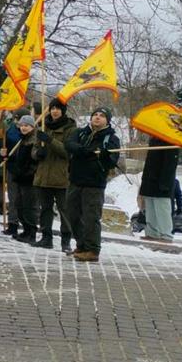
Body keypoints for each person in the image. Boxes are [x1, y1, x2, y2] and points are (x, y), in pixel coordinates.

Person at [65, 106, 121, 262]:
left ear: (107, 121)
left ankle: (92, 249)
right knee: (73, 214)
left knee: (91, 217)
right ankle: (81, 245)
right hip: (75, 181)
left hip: (94, 184)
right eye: (95, 114)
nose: (97, 117)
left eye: (102, 115)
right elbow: (69, 144)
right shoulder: (81, 133)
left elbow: (111, 162)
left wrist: (104, 156)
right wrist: (82, 149)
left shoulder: (111, 139)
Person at [32, 98, 75, 251]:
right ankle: (46, 237)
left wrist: (50, 141)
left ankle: (66, 240)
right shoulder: (44, 126)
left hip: (62, 177)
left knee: (65, 210)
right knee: (45, 209)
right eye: (52, 108)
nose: (54, 111)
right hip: (43, 176)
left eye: (58, 108)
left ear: (63, 111)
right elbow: (34, 150)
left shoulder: (71, 129)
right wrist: (38, 153)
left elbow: (68, 152)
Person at [139, 135, 180, 242]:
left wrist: (165, 184)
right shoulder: (153, 141)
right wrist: (144, 183)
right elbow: (148, 165)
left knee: (162, 210)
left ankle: (166, 235)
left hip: (162, 183)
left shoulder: (171, 141)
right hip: (149, 182)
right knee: (150, 210)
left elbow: (170, 165)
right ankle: (152, 233)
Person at [6, 114, 38, 243]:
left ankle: (31, 232)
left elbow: (35, 160)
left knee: (29, 207)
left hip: (30, 178)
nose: (23, 128)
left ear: (32, 127)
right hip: (20, 177)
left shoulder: (34, 141)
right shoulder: (22, 140)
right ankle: (25, 230)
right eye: (22, 125)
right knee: (19, 205)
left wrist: (28, 172)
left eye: (27, 126)